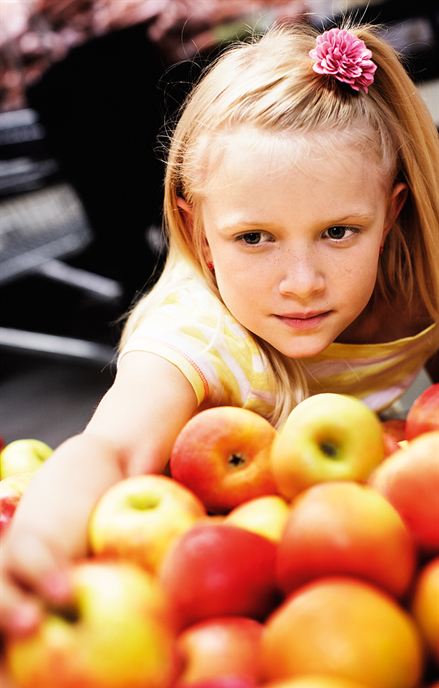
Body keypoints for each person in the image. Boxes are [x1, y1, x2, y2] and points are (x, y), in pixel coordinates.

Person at [1, 21, 438, 643]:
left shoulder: (422, 276)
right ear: (198, 230)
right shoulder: (198, 337)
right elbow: (113, 447)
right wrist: (36, 546)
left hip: (368, 554)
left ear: (391, 214)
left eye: (338, 232)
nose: (303, 283)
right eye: (254, 238)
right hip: (235, 592)